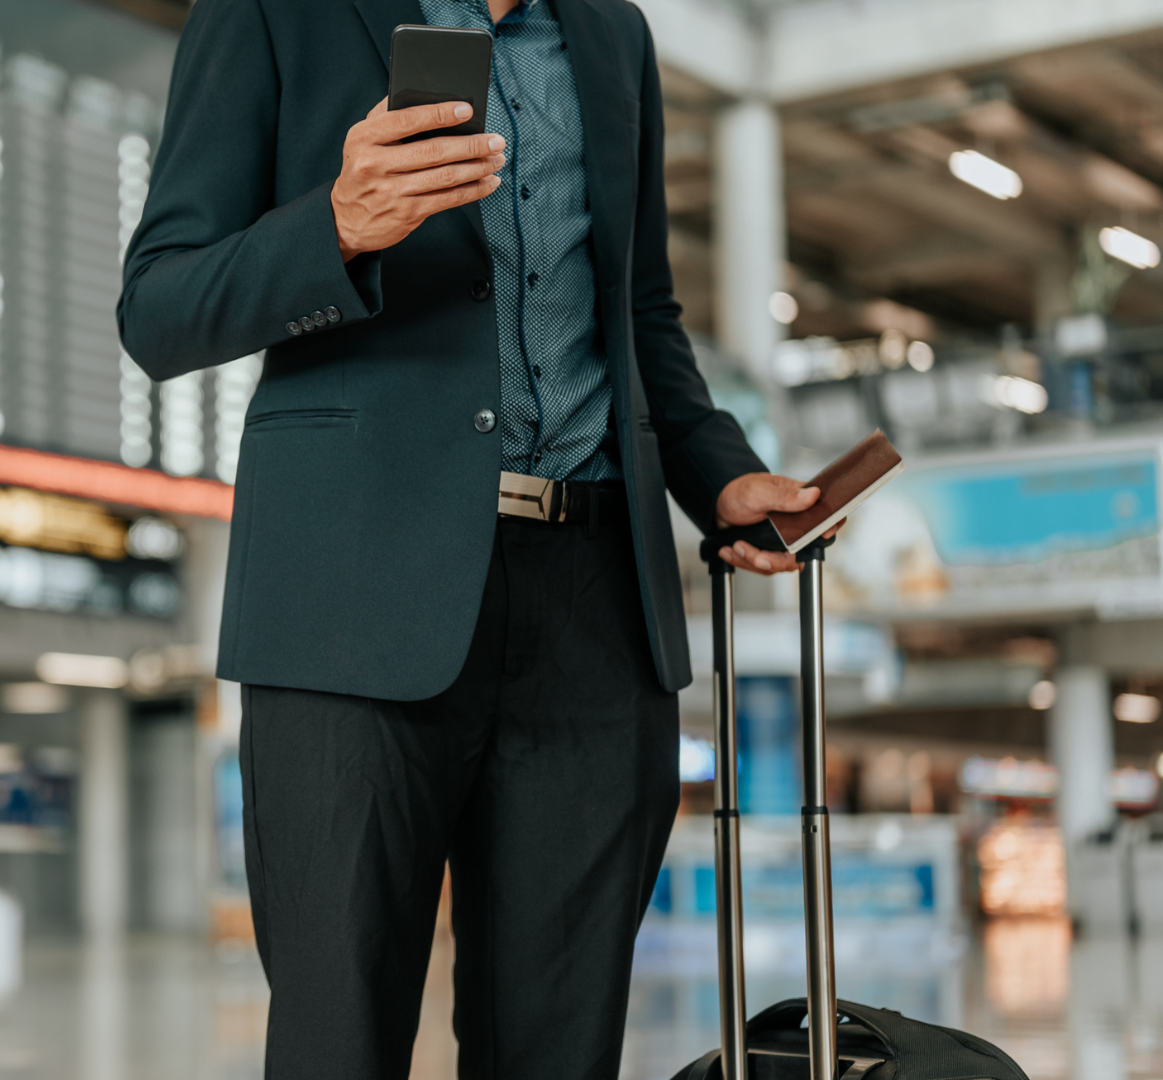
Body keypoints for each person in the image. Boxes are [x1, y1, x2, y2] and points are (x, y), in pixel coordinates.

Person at [117, 0, 828, 1076]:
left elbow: (639, 313)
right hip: (351, 599)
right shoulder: (270, 13)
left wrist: (719, 475)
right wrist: (339, 223)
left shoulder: (608, 34)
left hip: (596, 610)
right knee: (338, 1043)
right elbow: (159, 307)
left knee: (561, 1047)